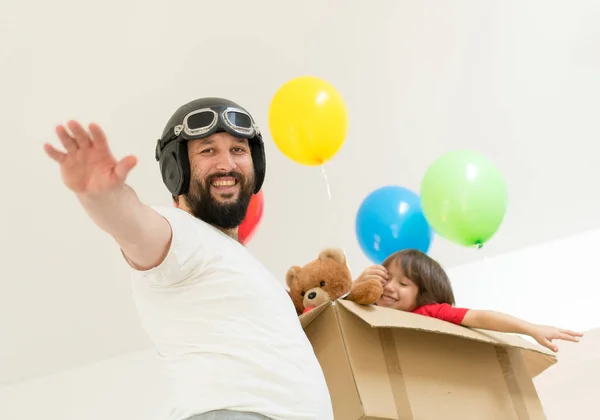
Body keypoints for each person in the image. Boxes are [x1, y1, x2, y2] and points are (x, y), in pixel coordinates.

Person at [43, 97, 334, 420]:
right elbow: (134, 226)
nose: (227, 164)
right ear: (175, 169)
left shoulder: (239, 264)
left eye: (238, 150)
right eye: (208, 151)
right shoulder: (181, 233)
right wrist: (102, 196)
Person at [354, 249, 583, 353]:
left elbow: (479, 316)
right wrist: (357, 289)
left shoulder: (428, 312)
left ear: (423, 294)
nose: (390, 287)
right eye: (386, 278)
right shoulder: (367, 310)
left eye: (404, 284)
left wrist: (531, 328)